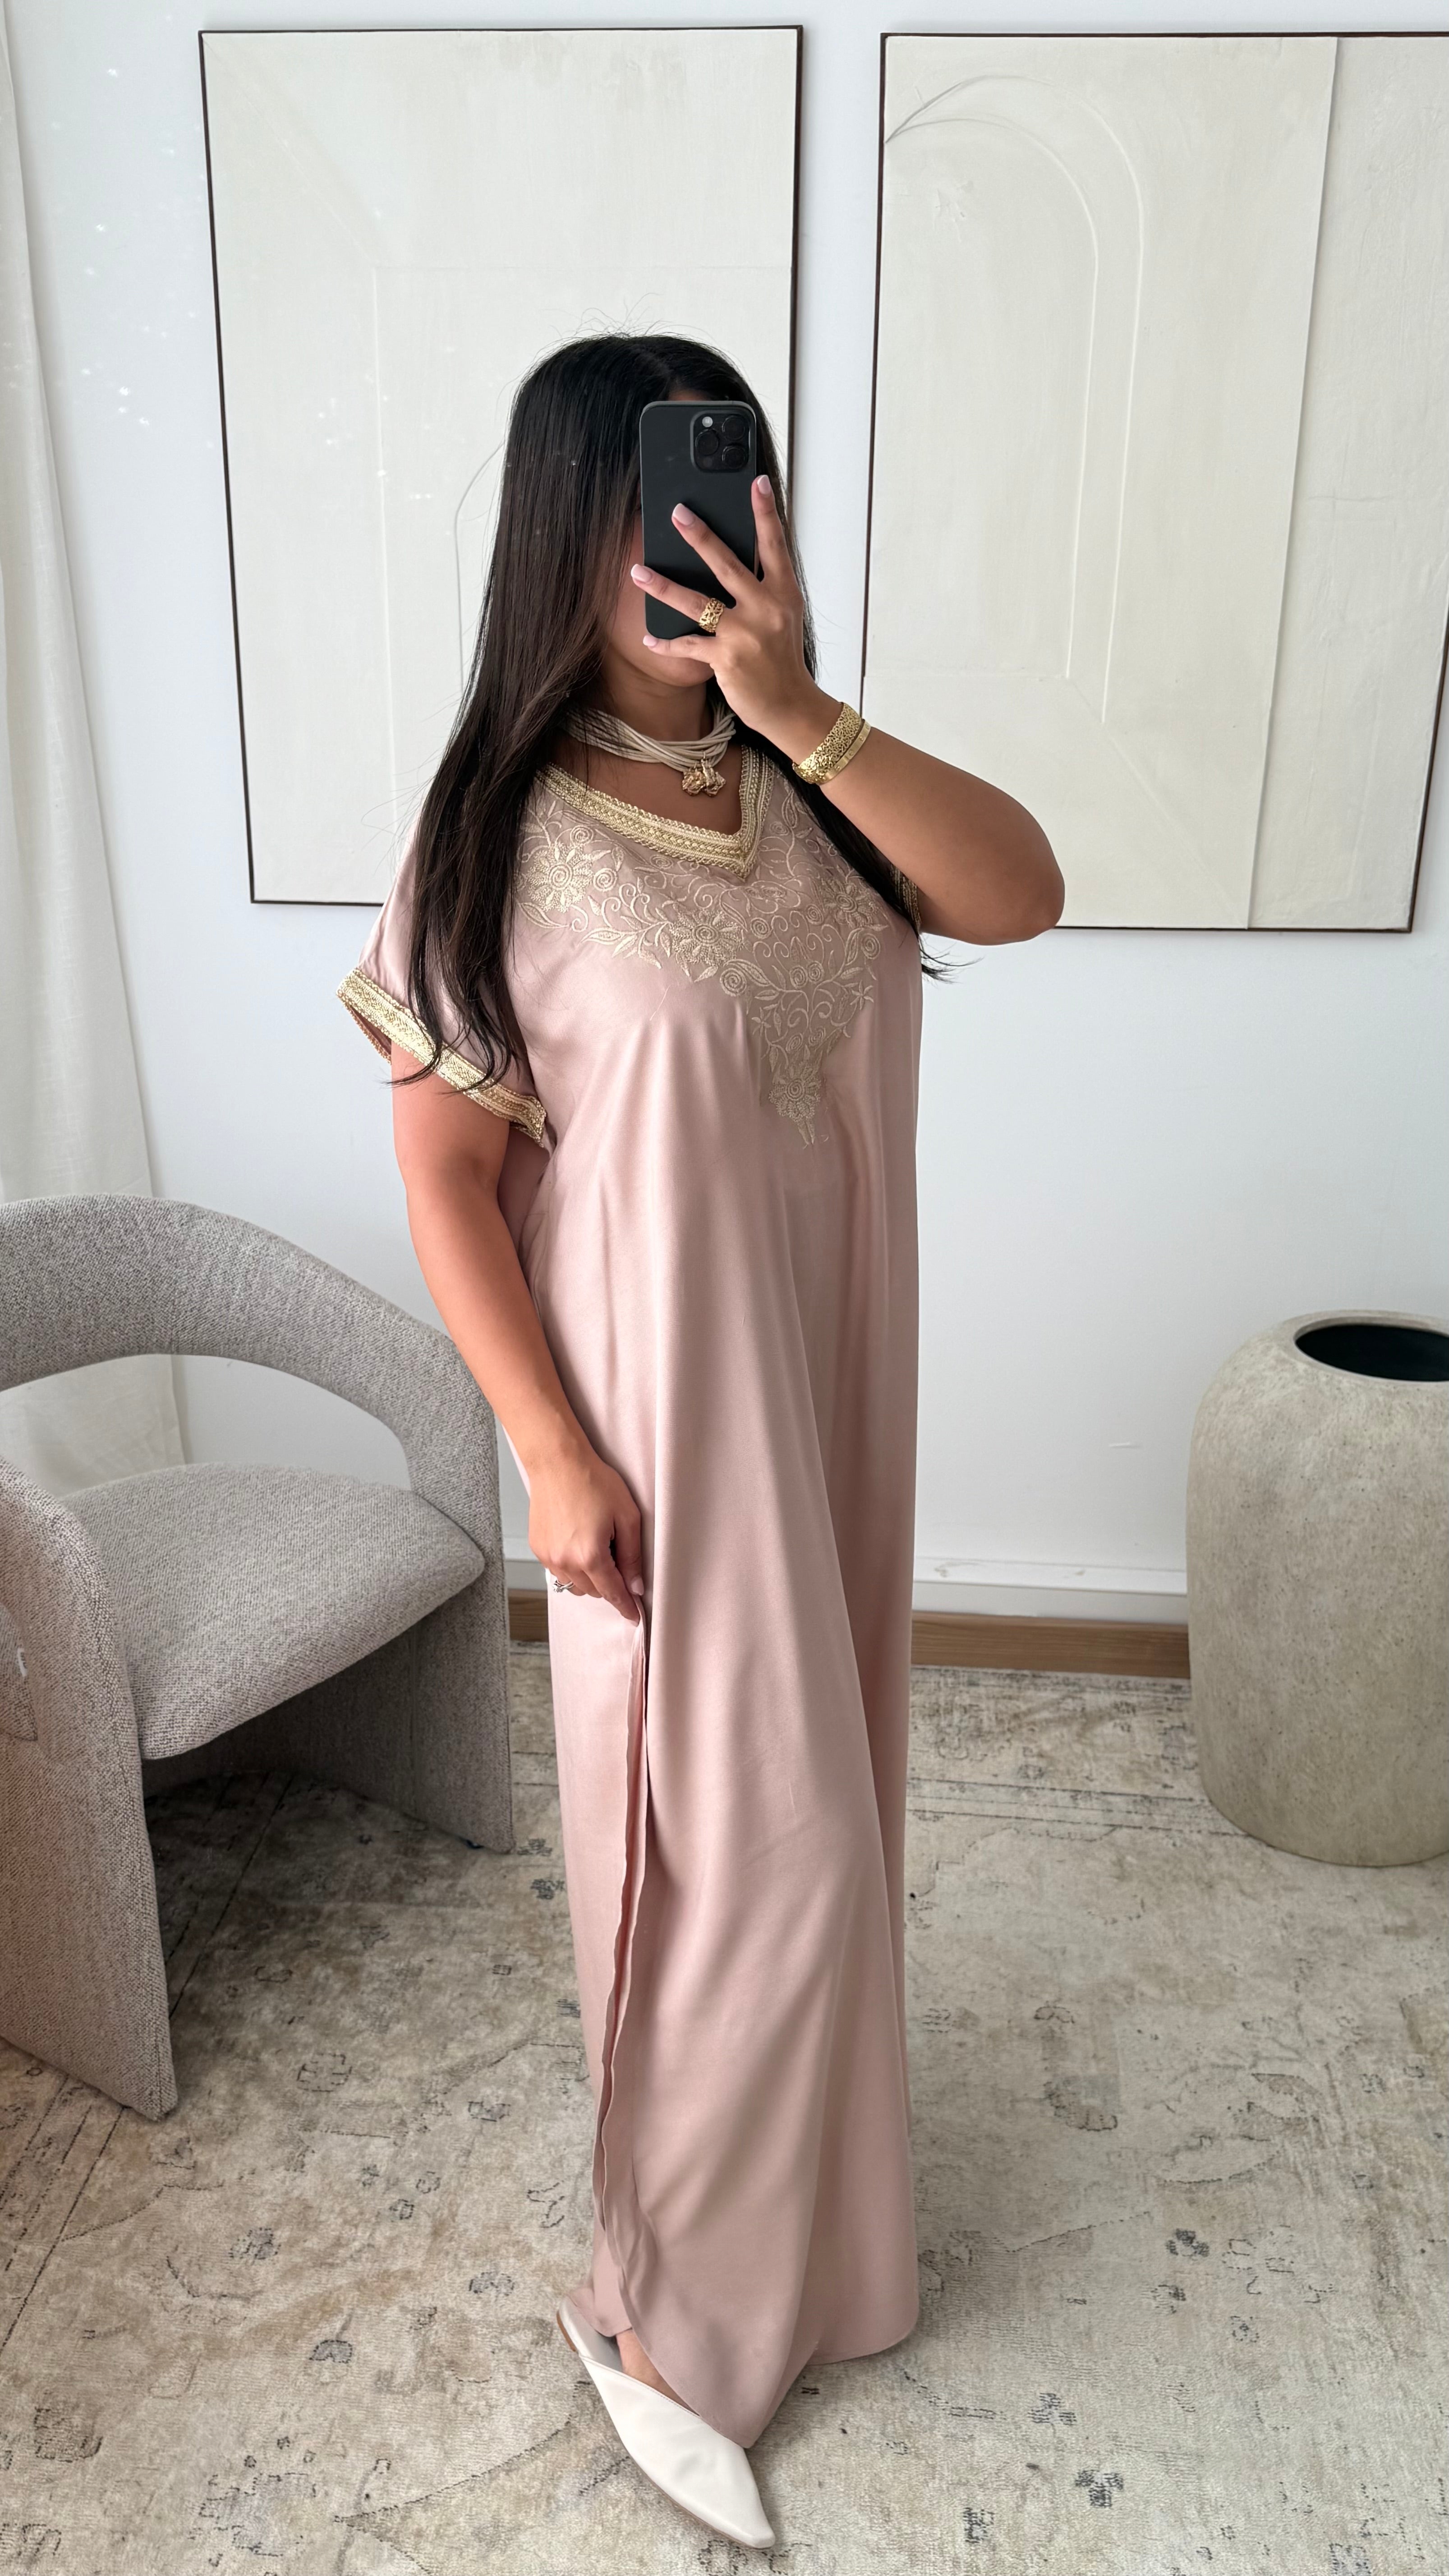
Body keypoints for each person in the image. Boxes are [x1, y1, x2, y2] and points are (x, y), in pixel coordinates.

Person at [338, 331, 1062, 2550]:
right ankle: (658, 2312)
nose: (690, 544)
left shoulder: (817, 786)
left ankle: (821, 2261)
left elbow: (1022, 888)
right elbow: (444, 1180)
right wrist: (547, 1453)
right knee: (750, 1867)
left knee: (835, 1828)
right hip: (661, 1432)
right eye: (651, 504)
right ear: (565, 529)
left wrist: (799, 704)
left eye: (728, 494)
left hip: (832, 1391)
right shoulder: (494, 833)